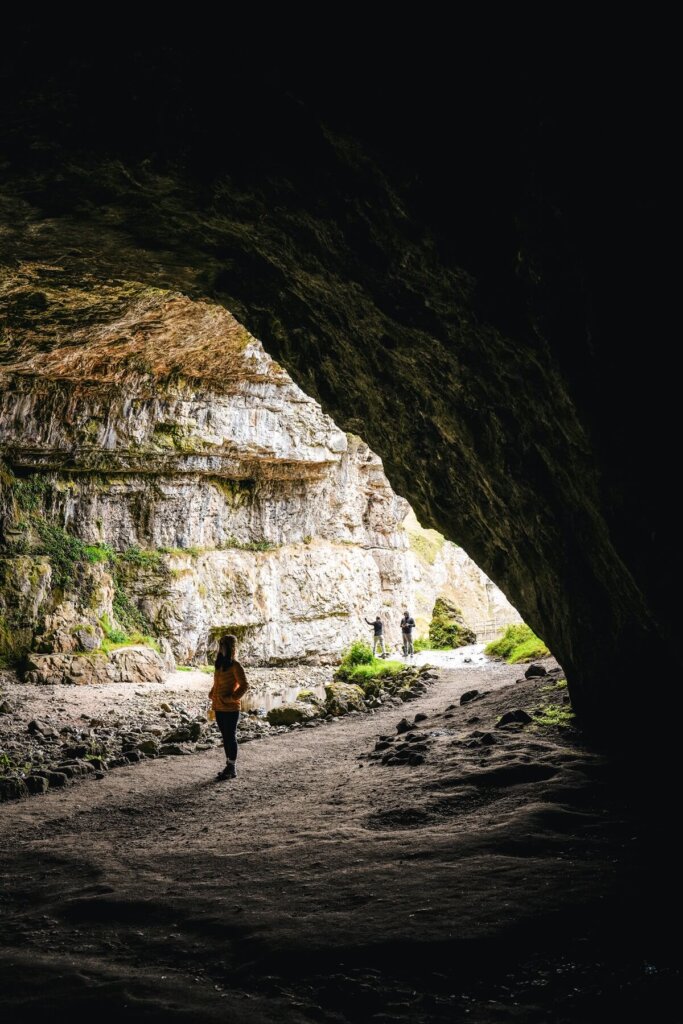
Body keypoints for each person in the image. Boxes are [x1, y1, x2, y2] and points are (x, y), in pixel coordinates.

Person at [209, 634, 249, 780]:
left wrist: (231, 698)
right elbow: (217, 682)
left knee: (230, 736)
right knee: (225, 737)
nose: (220, 647)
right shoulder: (219, 664)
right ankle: (228, 766)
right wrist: (212, 692)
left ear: (230, 647)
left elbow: (245, 685)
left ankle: (232, 767)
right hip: (218, 706)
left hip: (231, 708)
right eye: (220, 644)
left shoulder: (235, 665)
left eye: (223, 645)